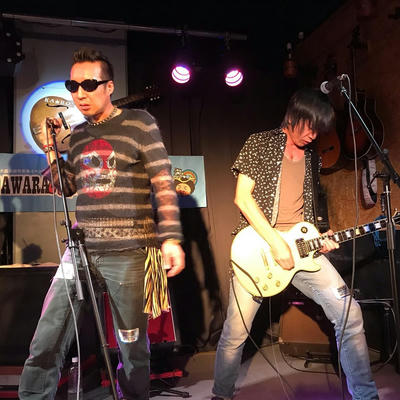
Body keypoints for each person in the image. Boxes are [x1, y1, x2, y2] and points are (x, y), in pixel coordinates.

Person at [18, 47, 185, 400]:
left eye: (89, 84)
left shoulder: (139, 123)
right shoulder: (78, 136)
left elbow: (163, 182)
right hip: (80, 249)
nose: (80, 93)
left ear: (109, 86)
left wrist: (170, 238)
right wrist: (51, 149)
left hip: (128, 252)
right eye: (73, 85)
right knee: (47, 336)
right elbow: (66, 187)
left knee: (131, 345)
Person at [212, 88, 379, 400]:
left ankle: (365, 396)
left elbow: (307, 213)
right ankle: (221, 394)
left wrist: (320, 237)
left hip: (301, 250)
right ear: (293, 116)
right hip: (258, 249)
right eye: (310, 126)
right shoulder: (259, 143)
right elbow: (242, 199)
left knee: (349, 312)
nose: (314, 135)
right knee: (235, 333)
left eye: (319, 129)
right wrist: (276, 243)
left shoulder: (313, 157)